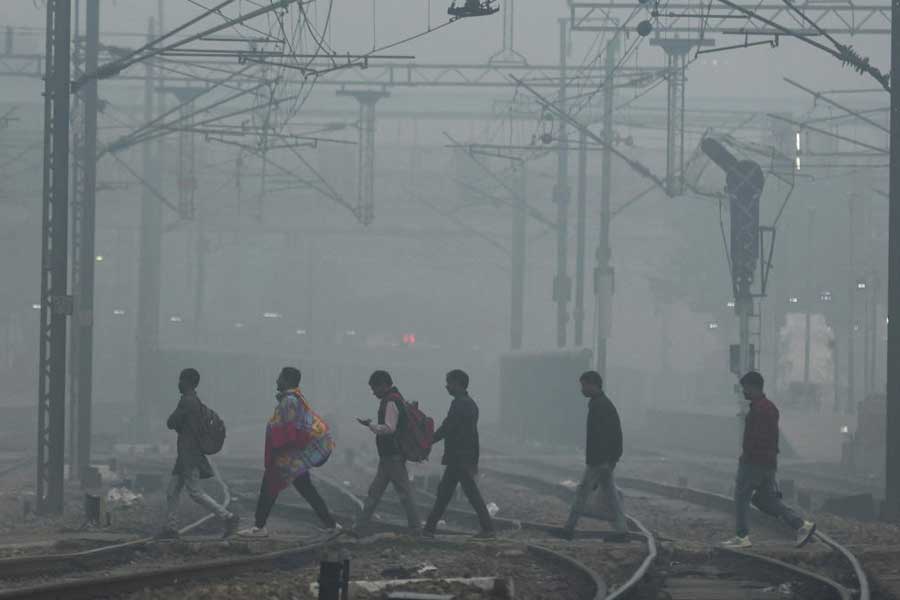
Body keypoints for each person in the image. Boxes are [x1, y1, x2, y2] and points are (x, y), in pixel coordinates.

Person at [239, 367, 339, 538]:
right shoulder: (295, 399)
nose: (277, 381)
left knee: (269, 489)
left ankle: (259, 527)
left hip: (287, 457)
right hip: (294, 458)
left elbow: (290, 431)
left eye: (279, 378)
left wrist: (278, 451)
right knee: (307, 490)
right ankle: (331, 525)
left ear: (286, 380)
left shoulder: (289, 401)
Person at [723, 372, 816, 549]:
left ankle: (742, 537)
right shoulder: (769, 407)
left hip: (753, 463)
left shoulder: (759, 410)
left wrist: (747, 457)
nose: (743, 392)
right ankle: (802, 525)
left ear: (753, 387)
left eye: (745, 388)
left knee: (741, 497)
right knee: (766, 501)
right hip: (768, 463)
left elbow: (756, 438)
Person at [158, 368, 239, 539]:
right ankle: (171, 528)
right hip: (185, 455)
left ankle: (228, 517)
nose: (178, 383)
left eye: (181, 380)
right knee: (172, 491)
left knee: (195, 492)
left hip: (189, 454)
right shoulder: (196, 402)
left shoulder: (187, 402)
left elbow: (170, 422)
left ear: (187, 382)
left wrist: (177, 423)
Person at [423, 370, 495, 538]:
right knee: (446, 493)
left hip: (459, 457)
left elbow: (449, 427)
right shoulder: (469, 403)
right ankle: (429, 529)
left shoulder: (460, 404)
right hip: (463, 456)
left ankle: (489, 529)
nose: (447, 386)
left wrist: (428, 441)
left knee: (464, 493)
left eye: (449, 383)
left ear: (458, 383)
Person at [561, 371, 627, 540]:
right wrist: (613, 459)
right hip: (604, 459)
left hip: (599, 460)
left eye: (584, 385)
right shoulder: (601, 404)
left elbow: (607, 435)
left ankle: (568, 529)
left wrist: (606, 460)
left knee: (583, 491)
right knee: (611, 495)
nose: (582, 389)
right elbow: (614, 434)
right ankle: (622, 531)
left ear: (593, 385)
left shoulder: (600, 406)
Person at [352, 370, 420, 533]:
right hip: (389, 456)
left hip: (393, 456)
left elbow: (389, 428)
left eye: (374, 388)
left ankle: (416, 528)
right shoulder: (395, 398)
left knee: (402, 493)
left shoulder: (390, 401)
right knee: (375, 492)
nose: (374, 392)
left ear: (383, 385)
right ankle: (360, 526)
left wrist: (371, 426)